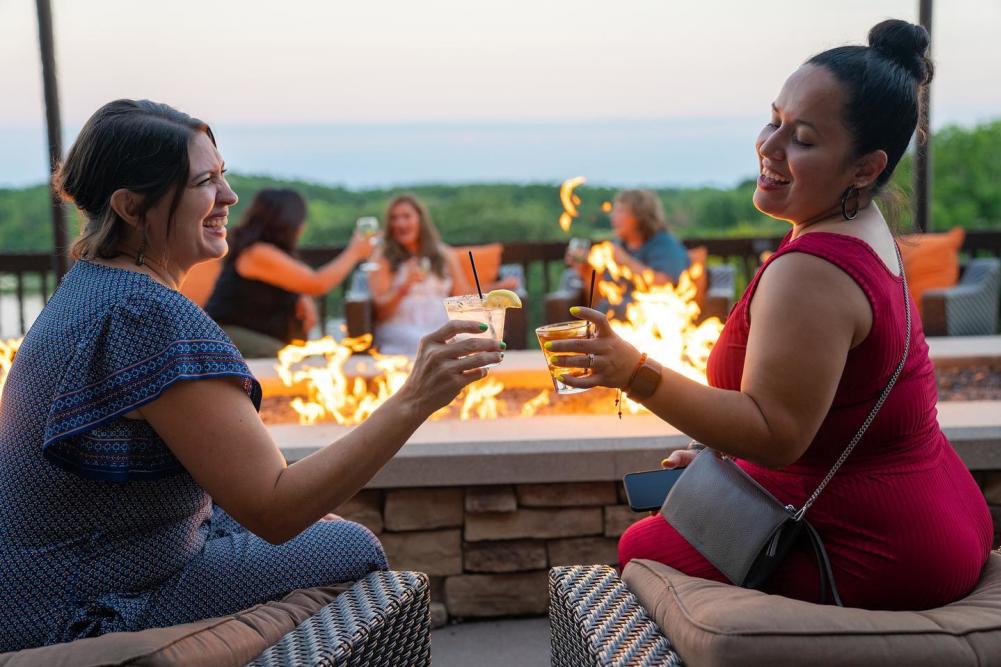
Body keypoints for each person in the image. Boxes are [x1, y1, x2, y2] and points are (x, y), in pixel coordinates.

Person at [0, 100, 502, 651]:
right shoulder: (145, 314)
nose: (229, 197)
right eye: (204, 182)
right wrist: (415, 398)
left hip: (56, 577)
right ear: (131, 207)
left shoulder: (91, 285)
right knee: (352, 551)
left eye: (223, 175)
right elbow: (276, 508)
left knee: (326, 531)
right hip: (88, 601)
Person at [547, 20, 992, 610]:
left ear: (865, 168)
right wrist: (727, 464)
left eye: (803, 138)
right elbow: (821, 413)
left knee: (641, 544)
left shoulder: (812, 270)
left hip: (876, 548)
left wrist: (633, 372)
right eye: (774, 119)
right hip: (939, 510)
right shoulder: (867, 229)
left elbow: (774, 434)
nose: (770, 146)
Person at [204, 188, 372, 357]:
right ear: (287, 221)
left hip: (255, 337)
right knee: (290, 359)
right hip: (226, 336)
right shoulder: (257, 253)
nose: (303, 226)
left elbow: (301, 282)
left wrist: (300, 295)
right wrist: (355, 252)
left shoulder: (267, 252)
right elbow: (317, 283)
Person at [369, 194, 474, 354]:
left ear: (420, 219)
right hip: (401, 328)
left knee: (467, 341)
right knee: (424, 343)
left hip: (440, 324)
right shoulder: (382, 257)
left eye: (406, 216)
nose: (400, 223)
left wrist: (499, 287)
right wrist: (404, 287)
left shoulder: (444, 253)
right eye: (394, 218)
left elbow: (464, 296)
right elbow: (381, 313)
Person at [573, 190, 690, 316]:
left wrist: (626, 261)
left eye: (620, 211)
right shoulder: (618, 246)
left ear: (640, 216)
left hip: (651, 317)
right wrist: (584, 270)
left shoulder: (665, 245)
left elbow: (664, 284)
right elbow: (601, 296)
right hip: (613, 319)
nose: (613, 217)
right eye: (614, 211)